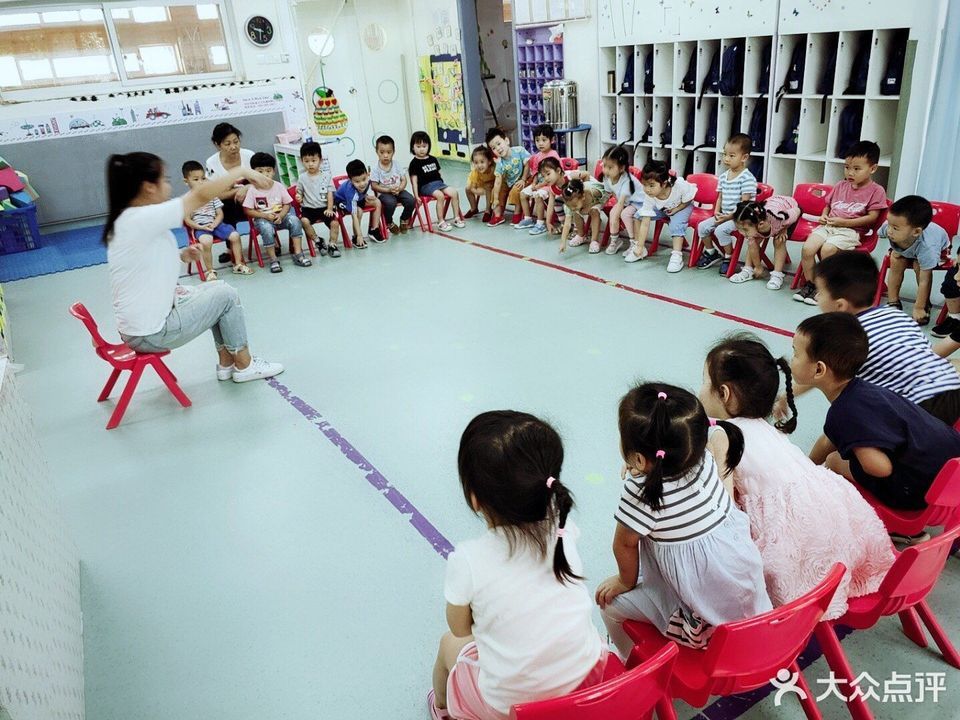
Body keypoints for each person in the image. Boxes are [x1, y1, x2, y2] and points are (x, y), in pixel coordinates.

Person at [429, 411, 607, 720]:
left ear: (475, 499)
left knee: (449, 647)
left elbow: (459, 628)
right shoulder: (563, 528)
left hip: (511, 708)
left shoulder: (470, 559)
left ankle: (443, 707)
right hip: (588, 678)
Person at [699, 335, 894, 615]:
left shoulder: (723, 433)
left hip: (792, 535)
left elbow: (723, 504)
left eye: (705, 382)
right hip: (828, 509)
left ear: (725, 393)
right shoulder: (766, 427)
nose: (701, 390)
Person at [597, 384, 771, 656]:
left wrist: (624, 582)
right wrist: (642, 468)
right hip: (752, 602)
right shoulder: (703, 457)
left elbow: (624, 545)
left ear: (641, 459)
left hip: (704, 624)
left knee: (608, 605)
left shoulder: (642, 494)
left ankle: (634, 668)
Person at [104, 152, 283, 383]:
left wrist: (180, 255)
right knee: (227, 295)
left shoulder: (128, 219)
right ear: (149, 187)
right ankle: (244, 363)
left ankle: (227, 362)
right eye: (164, 180)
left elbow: (139, 262)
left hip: (139, 327)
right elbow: (199, 195)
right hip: (152, 332)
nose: (167, 186)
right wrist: (242, 172)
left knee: (216, 288)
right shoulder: (141, 218)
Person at [794, 313, 960, 513]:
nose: (791, 359)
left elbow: (880, 468)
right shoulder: (868, 389)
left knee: (834, 460)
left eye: (796, 354)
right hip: (950, 471)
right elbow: (829, 439)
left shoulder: (844, 413)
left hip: (920, 494)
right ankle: (806, 479)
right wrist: (804, 470)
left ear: (819, 370)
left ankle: (897, 529)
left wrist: (853, 457)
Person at [808, 252, 960, 426]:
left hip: (920, 412)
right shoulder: (895, 314)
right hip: (951, 390)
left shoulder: (846, 337)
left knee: (842, 425)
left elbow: (816, 373)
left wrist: (786, 396)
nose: (817, 297)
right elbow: (927, 354)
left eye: (820, 292)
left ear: (840, 305)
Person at [793, 140, 887, 304]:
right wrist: (824, 215)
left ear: (872, 168)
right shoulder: (840, 185)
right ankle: (811, 284)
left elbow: (872, 218)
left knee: (828, 250)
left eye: (856, 169)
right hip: (829, 226)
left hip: (851, 230)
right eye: (847, 167)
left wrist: (844, 222)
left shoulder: (876, 191)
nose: (850, 172)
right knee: (808, 249)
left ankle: (826, 287)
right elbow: (828, 206)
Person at [880, 195, 950, 325]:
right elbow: (882, 232)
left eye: (895, 228)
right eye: (889, 224)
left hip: (938, 249)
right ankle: (893, 301)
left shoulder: (928, 247)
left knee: (919, 265)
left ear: (916, 232)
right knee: (896, 259)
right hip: (907, 246)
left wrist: (918, 308)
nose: (889, 231)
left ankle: (924, 305)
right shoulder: (890, 227)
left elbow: (925, 279)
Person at [695, 134, 758, 275]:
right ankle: (711, 252)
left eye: (731, 155)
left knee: (720, 230)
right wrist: (716, 212)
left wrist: (728, 217)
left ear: (744, 158)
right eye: (725, 154)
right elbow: (720, 197)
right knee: (702, 227)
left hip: (741, 217)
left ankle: (728, 257)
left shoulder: (747, 178)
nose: (726, 159)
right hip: (725, 215)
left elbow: (744, 206)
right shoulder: (723, 176)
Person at [181, 160, 251, 278]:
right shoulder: (187, 200)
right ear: (186, 181)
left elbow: (219, 213)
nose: (201, 182)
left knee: (235, 235)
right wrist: (200, 227)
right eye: (196, 179)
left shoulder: (210, 195)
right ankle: (210, 271)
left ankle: (238, 264)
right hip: (201, 228)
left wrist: (215, 223)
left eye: (203, 178)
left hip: (217, 224)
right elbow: (187, 220)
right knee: (206, 241)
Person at [243, 152, 309, 272]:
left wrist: (281, 215)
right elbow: (248, 210)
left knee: (294, 220)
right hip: (262, 219)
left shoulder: (278, 186)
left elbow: (287, 204)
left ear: (273, 171)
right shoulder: (252, 190)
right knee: (267, 228)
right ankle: (273, 259)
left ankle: (298, 253)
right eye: (260, 171)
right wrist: (265, 215)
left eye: (268, 171)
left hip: (280, 216)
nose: (265, 174)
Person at [628, 160, 697, 270]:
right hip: (664, 208)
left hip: (683, 205)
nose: (647, 190)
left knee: (676, 224)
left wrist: (676, 209)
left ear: (664, 184)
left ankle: (677, 255)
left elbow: (688, 199)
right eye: (644, 185)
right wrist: (640, 246)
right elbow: (645, 221)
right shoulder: (650, 195)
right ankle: (639, 248)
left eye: (651, 185)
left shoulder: (679, 185)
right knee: (638, 216)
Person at [730, 196, 801, 289]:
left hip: (789, 208)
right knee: (752, 241)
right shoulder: (754, 219)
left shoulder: (780, 217)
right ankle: (748, 270)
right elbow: (752, 244)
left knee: (779, 240)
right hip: (769, 207)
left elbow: (797, 210)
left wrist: (784, 228)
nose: (742, 233)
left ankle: (777, 275)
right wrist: (758, 267)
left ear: (760, 224)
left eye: (745, 230)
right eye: (740, 229)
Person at [205, 122, 254, 244]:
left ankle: (271, 240)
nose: (233, 147)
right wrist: (237, 191)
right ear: (217, 145)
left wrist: (247, 187)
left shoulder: (249, 155)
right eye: (227, 144)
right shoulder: (212, 163)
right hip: (229, 205)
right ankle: (231, 246)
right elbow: (214, 195)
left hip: (252, 199)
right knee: (223, 207)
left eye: (236, 142)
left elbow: (263, 182)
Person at [409, 131, 465, 232]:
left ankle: (456, 218)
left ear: (428, 146)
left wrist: (444, 185)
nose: (422, 149)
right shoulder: (414, 163)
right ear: (413, 147)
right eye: (418, 146)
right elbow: (414, 181)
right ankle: (441, 221)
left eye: (424, 146)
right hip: (425, 187)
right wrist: (416, 196)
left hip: (438, 184)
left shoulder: (433, 159)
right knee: (440, 195)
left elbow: (439, 173)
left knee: (454, 192)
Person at [295, 141, 341, 258]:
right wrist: (299, 196)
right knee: (304, 221)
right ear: (302, 161)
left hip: (325, 207)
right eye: (306, 161)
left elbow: (330, 193)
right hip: (309, 208)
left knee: (335, 223)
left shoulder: (326, 176)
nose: (310, 164)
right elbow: (299, 191)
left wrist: (330, 208)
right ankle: (318, 241)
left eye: (313, 161)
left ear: (320, 160)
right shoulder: (302, 178)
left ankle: (332, 244)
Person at [516, 124, 561, 232]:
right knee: (523, 194)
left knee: (538, 195)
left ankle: (540, 223)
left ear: (552, 140)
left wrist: (539, 186)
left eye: (544, 140)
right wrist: (534, 184)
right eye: (537, 140)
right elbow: (536, 173)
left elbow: (553, 176)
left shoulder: (553, 155)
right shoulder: (537, 156)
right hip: (539, 184)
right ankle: (528, 218)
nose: (540, 143)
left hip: (550, 185)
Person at [371, 134, 416, 234]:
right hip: (384, 193)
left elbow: (404, 179)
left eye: (389, 152)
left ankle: (404, 219)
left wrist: (400, 188)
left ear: (393, 152)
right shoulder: (375, 168)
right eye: (382, 152)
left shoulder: (396, 164)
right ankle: (389, 222)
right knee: (391, 203)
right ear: (377, 152)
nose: (385, 155)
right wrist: (388, 190)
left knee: (411, 200)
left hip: (398, 190)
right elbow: (373, 185)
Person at [333, 159, 384, 249]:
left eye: (364, 179)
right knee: (358, 211)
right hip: (343, 201)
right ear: (350, 181)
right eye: (357, 182)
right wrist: (360, 235)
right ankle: (356, 237)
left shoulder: (368, 181)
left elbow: (362, 190)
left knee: (377, 202)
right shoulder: (350, 192)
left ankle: (374, 230)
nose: (362, 184)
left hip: (358, 198)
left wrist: (365, 196)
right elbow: (354, 215)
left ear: (367, 174)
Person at [486, 127, 531, 227]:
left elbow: (528, 164)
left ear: (506, 141)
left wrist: (523, 179)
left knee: (516, 190)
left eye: (499, 144)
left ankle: (517, 213)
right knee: (496, 190)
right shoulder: (500, 163)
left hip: (526, 179)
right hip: (510, 181)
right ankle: (498, 215)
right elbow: (498, 181)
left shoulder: (519, 150)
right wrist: (496, 198)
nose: (497, 148)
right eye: (493, 148)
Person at [598, 145, 637, 256]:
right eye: (604, 166)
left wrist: (617, 213)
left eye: (610, 167)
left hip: (638, 203)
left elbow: (622, 201)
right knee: (612, 213)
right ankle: (615, 240)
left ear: (621, 168)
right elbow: (611, 193)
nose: (606, 170)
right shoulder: (607, 178)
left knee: (624, 214)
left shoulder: (626, 181)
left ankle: (634, 242)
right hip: (624, 202)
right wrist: (599, 206)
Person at [558, 179, 610, 254]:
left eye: (574, 205)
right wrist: (563, 242)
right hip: (586, 205)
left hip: (601, 200)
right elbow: (567, 224)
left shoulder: (594, 192)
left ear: (583, 196)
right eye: (569, 206)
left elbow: (608, 193)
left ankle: (594, 241)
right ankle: (581, 235)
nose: (572, 207)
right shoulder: (570, 204)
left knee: (594, 212)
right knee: (575, 212)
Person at [540, 159, 589, 236]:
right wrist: (548, 222)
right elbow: (550, 205)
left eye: (548, 174)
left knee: (575, 203)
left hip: (585, 196)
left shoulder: (570, 177)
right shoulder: (552, 188)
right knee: (557, 202)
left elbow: (586, 174)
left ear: (558, 170)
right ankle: (565, 225)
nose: (546, 178)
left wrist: (585, 192)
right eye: (543, 176)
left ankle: (579, 228)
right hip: (571, 198)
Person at [464, 145, 496, 222]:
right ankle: (473, 208)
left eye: (482, 162)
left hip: (494, 188)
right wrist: (475, 190)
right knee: (467, 189)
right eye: (476, 162)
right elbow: (472, 186)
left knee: (488, 186)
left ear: (489, 161)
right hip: (482, 187)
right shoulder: (475, 172)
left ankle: (488, 210)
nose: (479, 165)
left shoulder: (493, 169)